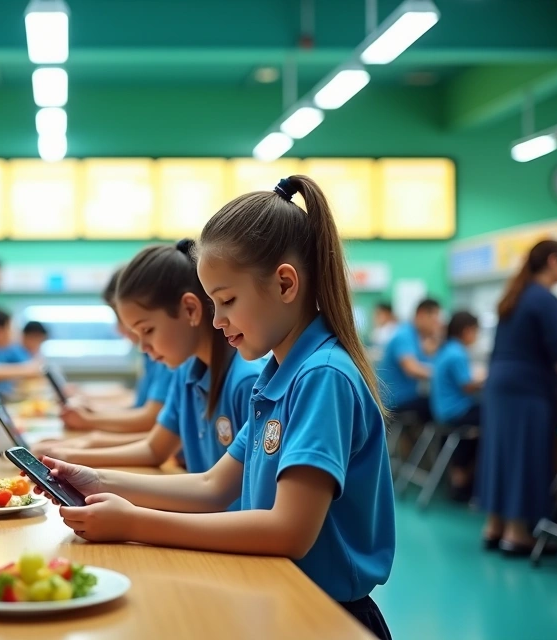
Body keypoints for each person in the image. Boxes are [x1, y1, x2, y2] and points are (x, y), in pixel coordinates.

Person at [32, 177, 394, 640]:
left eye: (226, 301)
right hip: (278, 595)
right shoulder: (277, 376)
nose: (217, 319)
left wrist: (133, 522)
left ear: (285, 283)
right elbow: (211, 485)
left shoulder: (323, 376)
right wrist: (94, 479)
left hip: (323, 616)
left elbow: (289, 530)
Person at [39, 245, 260, 489]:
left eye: (148, 330)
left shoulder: (248, 382)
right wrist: (70, 458)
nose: (142, 346)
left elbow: (227, 497)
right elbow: (155, 448)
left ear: (190, 309)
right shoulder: (186, 372)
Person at [477, 239, 557, 555]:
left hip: (500, 385)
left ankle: (494, 526)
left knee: (500, 454)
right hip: (526, 388)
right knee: (525, 456)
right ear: (553, 261)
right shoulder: (545, 299)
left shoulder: (516, 294)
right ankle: (518, 533)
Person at [58, 268, 172, 438]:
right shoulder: (153, 353)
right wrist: (92, 409)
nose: (120, 328)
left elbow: (150, 420)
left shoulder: (169, 356)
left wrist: (90, 420)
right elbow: (139, 404)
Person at [430, 311, 486, 501]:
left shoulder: (446, 349)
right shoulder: (457, 353)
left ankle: (459, 476)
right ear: (467, 330)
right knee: (492, 419)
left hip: (443, 411)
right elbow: (467, 385)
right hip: (456, 411)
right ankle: (471, 480)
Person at [378, 298, 442, 423]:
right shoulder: (404, 335)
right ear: (422, 315)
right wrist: (442, 373)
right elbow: (411, 368)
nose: (437, 324)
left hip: (406, 396)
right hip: (397, 399)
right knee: (439, 404)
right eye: (434, 320)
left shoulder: (415, 336)